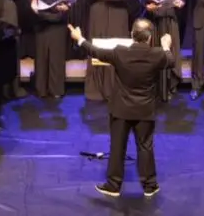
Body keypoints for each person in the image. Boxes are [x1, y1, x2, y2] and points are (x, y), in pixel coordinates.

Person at [68, 20, 174, 198]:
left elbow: (96, 52)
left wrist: (79, 39)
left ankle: (113, 185)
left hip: (121, 109)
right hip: (145, 110)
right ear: (150, 38)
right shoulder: (157, 55)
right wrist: (166, 45)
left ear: (132, 35)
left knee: (117, 147)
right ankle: (150, 185)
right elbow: (170, 60)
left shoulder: (120, 52)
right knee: (145, 147)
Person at [30, 0, 71, 99]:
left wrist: (65, 7)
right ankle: (41, 89)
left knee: (57, 57)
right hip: (42, 22)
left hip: (58, 22)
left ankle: (56, 89)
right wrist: (35, 7)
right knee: (41, 56)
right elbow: (33, 1)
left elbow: (67, 2)